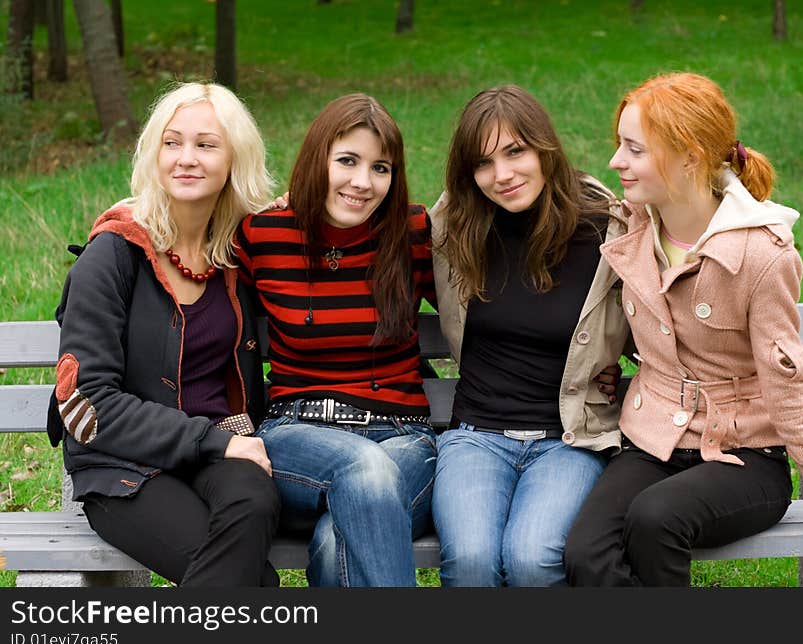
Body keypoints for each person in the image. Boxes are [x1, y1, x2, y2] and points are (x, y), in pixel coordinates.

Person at [563, 72, 803, 586]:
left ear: (689, 157)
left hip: (744, 458)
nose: (616, 162)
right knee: (583, 552)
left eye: (633, 149)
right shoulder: (636, 225)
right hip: (653, 443)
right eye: (619, 145)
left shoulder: (761, 254)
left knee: (655, 519)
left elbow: (786, 383)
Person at [49, 82, 281, 586]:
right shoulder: (112, 255)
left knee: (253, 496)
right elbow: (88, 404)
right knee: (256, 582)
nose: (186, 158)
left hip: (218, 452)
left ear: (234, 161)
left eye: (206, 144)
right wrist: (213, 440)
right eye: (172, 143)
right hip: (121, 468)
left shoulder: (237, 255)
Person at [428, 85, 631, 586]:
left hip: (569, 442)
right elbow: (362, 243)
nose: (502, 176)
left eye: (515, 152)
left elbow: (666, 332)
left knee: (532, 558)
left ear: (545, 148)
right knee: (472, 560)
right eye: (483, 163)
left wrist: (628, 388)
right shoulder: (453, 231)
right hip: (476, 437)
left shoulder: (608, 228)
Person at [236, 93, 437, 587]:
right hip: (294, 435)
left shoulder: (410, 231)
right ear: (316, 159)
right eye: (347, 161)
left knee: (332, 546)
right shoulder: (264, 235)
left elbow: (492, 276)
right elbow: (187, 263)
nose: (363, 183)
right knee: (362, 467)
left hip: (404, 437)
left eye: (380, 167)